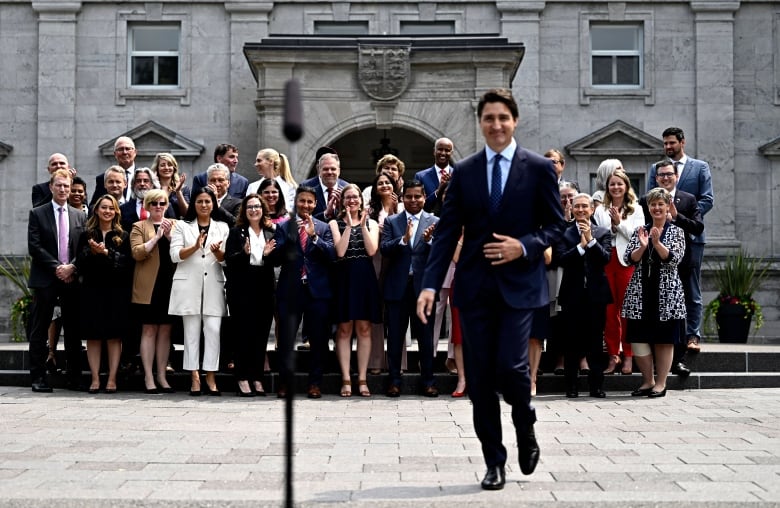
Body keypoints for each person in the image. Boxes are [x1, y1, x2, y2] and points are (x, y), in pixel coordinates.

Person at [417, 88, 565, 490]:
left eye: (503, 117)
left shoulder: (537, 169)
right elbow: (447, 233)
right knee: (479, 380)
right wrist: (430, 284)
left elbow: (557, 227)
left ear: (514, 120)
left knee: (512, 368)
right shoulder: (464, 172)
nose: (496, 125)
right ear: (480, 123)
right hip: (475, 287)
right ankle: (494, 462)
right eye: (488, 118)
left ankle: (524, 422)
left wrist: (525, 245)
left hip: (520, 287)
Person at [647, 127, 714, 354]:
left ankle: (692, 335)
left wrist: (681, 215)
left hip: (692, 237)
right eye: (665, 143)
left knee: (691, 287)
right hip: (661, 239)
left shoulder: (699, 167)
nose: (668, 147)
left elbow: (707, 199)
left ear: (682, 142)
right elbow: (649, 200)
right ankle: (669, 334)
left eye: (671, 143)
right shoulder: (655, 169)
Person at [266, 186, 336, 399]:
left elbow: (333, 255)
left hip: (317, 291)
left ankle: (314, 383)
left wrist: (314, 237)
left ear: (315, 204)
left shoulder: (323, 227)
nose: (305, 205)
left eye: (310, 202)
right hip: (291, 290)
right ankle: (285, 383)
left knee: (318, 339)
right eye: (302, 201)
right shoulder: (284, 227)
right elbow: (275, 259)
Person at [640, 159, 704, 377]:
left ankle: (677, 360)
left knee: (678, 314)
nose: (665, 178)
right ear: (656, 178)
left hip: (679, 264)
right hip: (649, 268)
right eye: (661, 175)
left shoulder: (688, 199)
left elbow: (698, 227)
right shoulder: (645, 200)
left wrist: (676, 217)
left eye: (669, 174)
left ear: (676, 176)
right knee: (653, 316)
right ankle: (656, 364)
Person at [622, 187, 687, 398]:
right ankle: (647, 381)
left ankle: (661, 383)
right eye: (653, 204)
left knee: (663, 338)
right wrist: (643, 246)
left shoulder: (676, 231)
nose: (657, 208)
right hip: (640, 292)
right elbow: (627, 259)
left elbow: (674, 259)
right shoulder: (641, 230)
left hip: (667, 294)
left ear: (668, 206)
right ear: (648, 207)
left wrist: (657, 243)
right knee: (638, 338)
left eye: (661, 204)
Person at [27, 169, 87, 392]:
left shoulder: (80, 215)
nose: (63, 189)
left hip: (71, 279)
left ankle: (74, 377)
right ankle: (38, 378)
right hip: (46, 278)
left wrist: (71, 267)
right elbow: (35, 246)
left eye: (66, 186)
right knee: (40, 328)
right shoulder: (38, 213)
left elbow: (83, 249)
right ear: (51, 187)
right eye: (59, 185)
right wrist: (57, 268)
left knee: (73, 329)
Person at [168, 187, 230, 396]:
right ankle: (194, 375)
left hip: (214, 284)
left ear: (214, 204)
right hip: (188, 286)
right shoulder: (182, 227)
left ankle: (210, 375)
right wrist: (195, 246)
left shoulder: (222, 227)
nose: (204, 205)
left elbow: (226, 260)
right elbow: (175, 255)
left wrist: (218, 252)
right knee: (191, 334)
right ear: (193, 204)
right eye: (200, 201)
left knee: (213, 331)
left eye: (208, 201)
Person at [381, 180, 439, 398]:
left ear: (424, 197)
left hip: (423, 288)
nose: (413, 200)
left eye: (417, 196)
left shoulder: (434, 221)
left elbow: (442, 253)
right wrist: (403, 240)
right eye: (409, 197)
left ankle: (429, 382)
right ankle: (394, 381)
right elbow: (385, 249)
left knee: (425, 338)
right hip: (398, 287)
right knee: (395, 337)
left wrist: (430, 241)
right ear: (402, 198)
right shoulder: (392, 221)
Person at [552, 193, 612, 398]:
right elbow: (561, 259)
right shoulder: (564, 233)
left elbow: (605, 259)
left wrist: (591, 241)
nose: (581, 210)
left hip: (596, 296)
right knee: (571, 342)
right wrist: (580, 247)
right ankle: (571, 386)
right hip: (572, 295)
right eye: (576, 207)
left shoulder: (603, 232)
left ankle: (596, 386)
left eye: (585, 206)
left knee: (596, 342)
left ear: (592, 209)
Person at [75, 195, 133, 393]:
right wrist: (91, 252)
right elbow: (79, 264)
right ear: (97, 210)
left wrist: (106, 253)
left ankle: (112, 378)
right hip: (92, 290)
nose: (107, 211)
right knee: (93, 336)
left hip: (116, 291)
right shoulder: (87, 234)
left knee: (114, 336)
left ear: (116, 211)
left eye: (111, 208)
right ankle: (95, 378)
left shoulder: (123, 235)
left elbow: (127, 264)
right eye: (104, 207)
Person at [329, 184, 381, 397]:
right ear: (342, 201)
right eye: (348, 197)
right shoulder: (334, 223)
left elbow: (371, 250)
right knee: (344, 329)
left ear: (361, 200)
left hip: (365, 277)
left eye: (355, 197)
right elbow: (340, 251)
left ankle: (362, 378)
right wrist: (350, 226)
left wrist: (361, 225)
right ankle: (346, 379)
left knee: (364, 328)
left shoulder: (373, 223)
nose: (352, 200)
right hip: (344, 277)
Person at [593, 168, 644, 375]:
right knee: (609, 311)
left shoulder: (636, 209)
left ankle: (629, 356)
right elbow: (598, 233)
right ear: (607, 187)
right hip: (606, 260)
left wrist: (619, 224)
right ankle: (613, 354)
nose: (615, 187)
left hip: (626, 261)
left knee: (626, 311)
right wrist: (612, 227)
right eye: (612, 184)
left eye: (619, 184)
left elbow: (637, 235)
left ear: (626, 186)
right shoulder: (599, 209)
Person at [224, 194, 277, 396]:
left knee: (260, 336)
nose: (254, 210)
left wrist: (266, 255)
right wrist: (244, 254)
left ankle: (257, 377)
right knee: (243, 335)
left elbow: (278, 260)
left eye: (257, 206)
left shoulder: (271, 232)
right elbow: (229, 260)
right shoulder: (236, 232)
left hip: (263, 288)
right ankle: (242, 377)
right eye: (250, 207)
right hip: (242, 290)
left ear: (263, 209)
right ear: (244, 211)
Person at [130, 189, 177, 394]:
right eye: (154, 203)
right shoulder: (139, 226)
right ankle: (148, 376)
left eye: (162, 203)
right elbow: (137, 253)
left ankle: (162, 375)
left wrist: (168, 236)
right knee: (149, 329)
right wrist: (156, 237)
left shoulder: (176, 225)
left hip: (170, 283)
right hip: (149, 286)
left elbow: (182, 253)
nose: (159, 207)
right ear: (147, 206)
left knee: (165, 330)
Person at [366, 171, 406, 375]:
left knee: (397, 313)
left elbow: (400, 236)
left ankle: (399, 363)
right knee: (376, 310)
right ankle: (375, 361)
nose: (384, 185)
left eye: (387, 183)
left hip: (396, 261)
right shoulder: (370, 210)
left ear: (394, 186)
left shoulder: (403, 208)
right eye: (380, 183)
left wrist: (392, 210)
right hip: (375, 260)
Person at [299, 152, 349, 220]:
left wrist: (341, 208)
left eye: (333, 169)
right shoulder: (305, 187)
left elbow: (354, 218)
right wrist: (325, 214)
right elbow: (301, 218)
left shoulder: (346, 188)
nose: (329, 172)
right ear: (319, 171)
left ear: (339, 171)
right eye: (325, 169)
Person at [90, 136, 136, 207]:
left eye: (128, 149)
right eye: (120, 149)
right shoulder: (102, 178)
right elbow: (93, 206)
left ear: (135, 152)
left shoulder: (142, 179)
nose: (124, 152)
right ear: (115, 154)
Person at [414, 137, 454, 212]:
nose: (443, 153)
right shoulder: (421, 177)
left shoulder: (458, 175)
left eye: (447, 150)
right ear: (434, 151)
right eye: (440, 149)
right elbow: (417, 205)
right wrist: (438, 191)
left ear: (451, 153)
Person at [152, 152, 190, 218]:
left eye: (169, 165)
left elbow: (186, 213)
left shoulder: (184, 188)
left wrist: (178, 192)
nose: (166, 168)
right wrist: (155, 185)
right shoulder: (151, 187)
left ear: (174, 168)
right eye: (162, 165)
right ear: (157, 168)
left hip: (176, 226)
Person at [205, 163, 242, 227]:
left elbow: (236, 223)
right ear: (208, 183)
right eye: (213, 180)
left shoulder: (238, 203)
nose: (217, 184)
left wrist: (217, 204)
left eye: (220, 180)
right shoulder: (201, 202)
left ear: (228, 183)